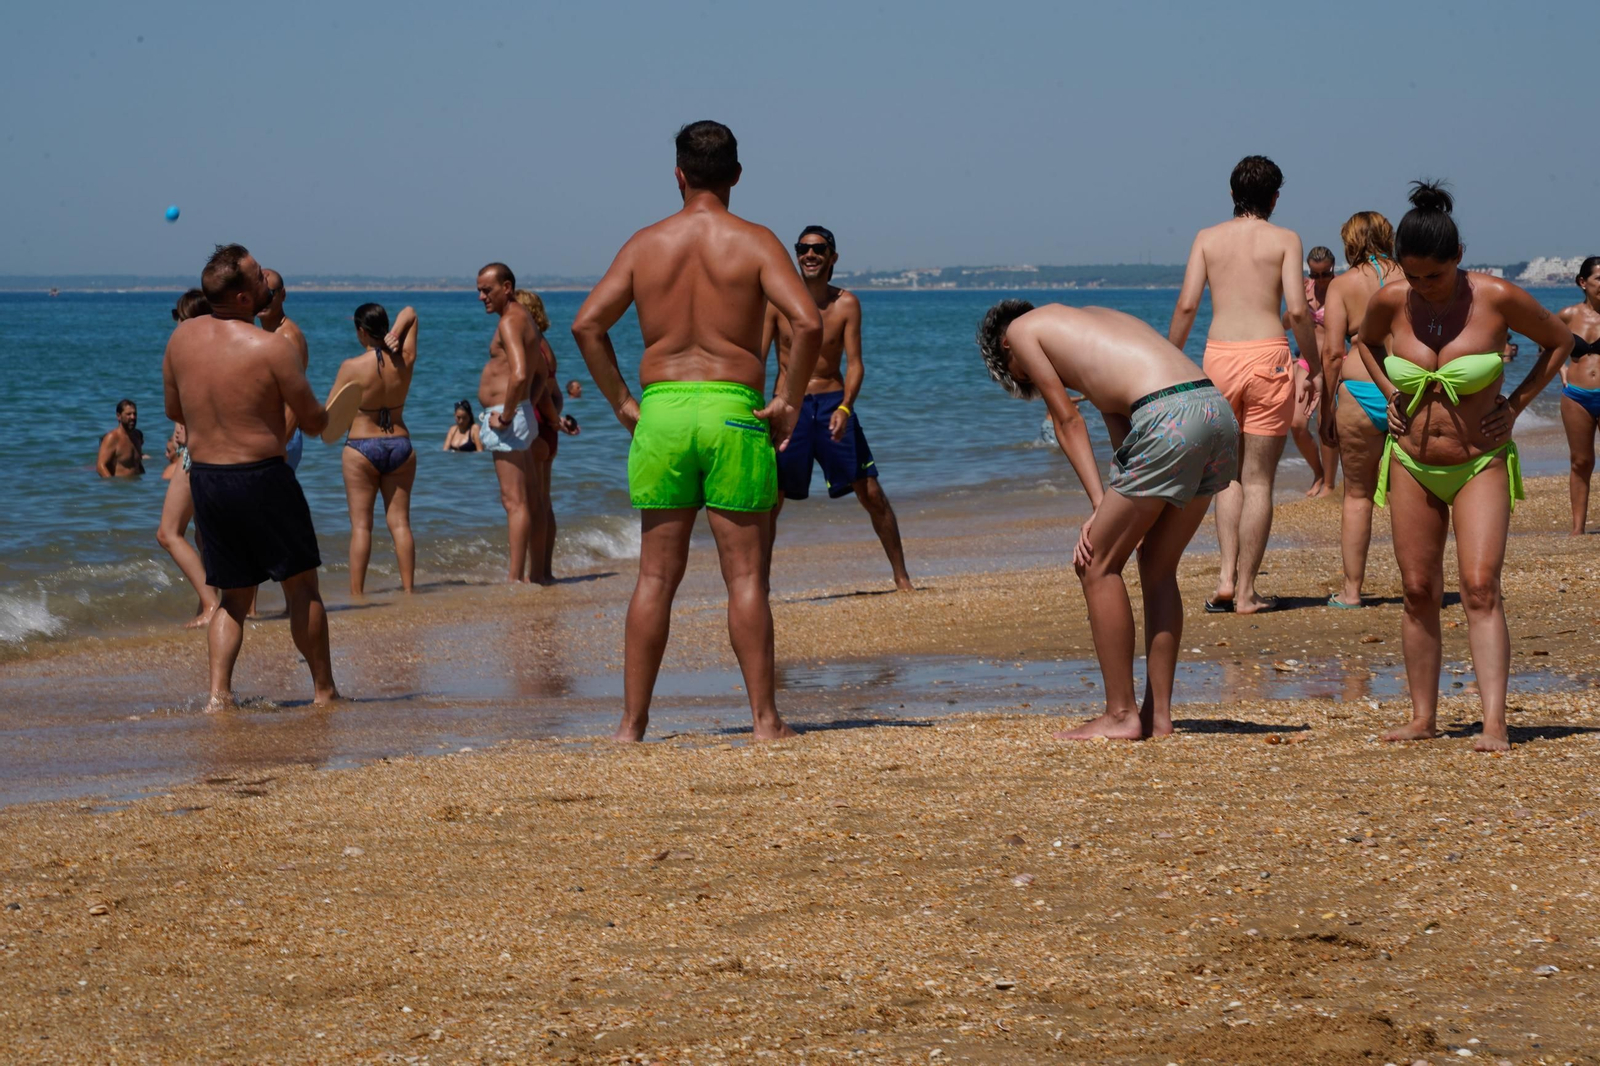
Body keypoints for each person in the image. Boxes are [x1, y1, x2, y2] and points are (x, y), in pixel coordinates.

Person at [571, 119, 823, 743]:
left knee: (656, 575)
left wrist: (624, 403)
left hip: (661, 410)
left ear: (678, 175)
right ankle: (765, 722)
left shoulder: (645, 244)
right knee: (744, 577)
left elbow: (586, 326)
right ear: (736, 174)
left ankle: (631, 726)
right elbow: (809, 323)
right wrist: (788, 400)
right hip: (732, 408)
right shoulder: (757, 242)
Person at [1357, 183, 1572, 751]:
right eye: (1413, 276)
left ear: (1457, 258)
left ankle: (1494, 722)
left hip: (1479, 461)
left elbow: (1559, 342)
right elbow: (1364, 343)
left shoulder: (1497, 297)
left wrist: (1517, 403)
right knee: (1417, 588)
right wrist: (1387, 395)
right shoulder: (1390, 299)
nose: (1423, 288)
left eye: (1434, 276)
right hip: (1411, 461)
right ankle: (1423, 717)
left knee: (1479, 587)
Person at [977, 302, 1238, 740]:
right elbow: (1122, 422)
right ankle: (1157, 717)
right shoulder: (1092, 322)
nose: (1039, 383)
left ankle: (1120, 714)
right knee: (1157, 567)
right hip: (1214, 413)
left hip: (1169, 419)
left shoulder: (1023, 331)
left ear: (1007, 347)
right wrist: (1116, 503)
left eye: (1022, 376)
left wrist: (1099, 505)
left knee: (1095, 562)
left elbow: (1067, 420)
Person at [162, 243, 337, 710]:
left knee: (232, 600)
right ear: (242, 297)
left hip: (208, 482)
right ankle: (324, 692)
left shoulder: (180, 341)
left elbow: (174, 411)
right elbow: (314, 421)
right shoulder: (271, 347)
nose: (268, 284)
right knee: (301, 588)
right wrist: (330, 412)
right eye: (260, 278)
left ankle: (218, 697)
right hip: (262, 478)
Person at [1169, 155, 1319, 615]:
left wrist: (1169, 359)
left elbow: (1188, 305)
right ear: (1275, 197)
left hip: (1219, 358)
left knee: (1225, 479)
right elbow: (1296, 310)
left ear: (1232, 195)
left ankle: (1225, 578)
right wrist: (1310, 360)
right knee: (1258, 481)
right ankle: (1248, 593)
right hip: (1268, 356)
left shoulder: (1207, 239)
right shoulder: (1286, 240)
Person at [763, 226, 913, 592]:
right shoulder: (776, 303)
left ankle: (902, 578)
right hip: (789, 406)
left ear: (833, 257)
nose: (809, 254)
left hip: (833, 403)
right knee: (770, 500)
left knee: (871, 493)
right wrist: (762, 409)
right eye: (802, 248)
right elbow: (756, 359)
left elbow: (856, 363)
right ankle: (757, 587)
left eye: (818, 249)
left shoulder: (846, 304)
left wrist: (846, 407)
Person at [1319, 212, 1405, 608]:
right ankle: (1419, 586)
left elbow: (1334, 352)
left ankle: (1352, 592)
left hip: (1357, 389)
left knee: (1357, 495)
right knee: (1413, 494)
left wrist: (1325, 411)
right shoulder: (1413, 275)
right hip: (1407, 386)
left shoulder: (1341, 285)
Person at [475, 264, 560, 582]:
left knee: (515, 501)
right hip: (518, 414)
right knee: (532, 500)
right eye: (479, 290)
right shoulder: (524, 319)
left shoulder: (510, 321)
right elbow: (540, 374)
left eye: (487, 290)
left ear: (507, 287)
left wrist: (508, 415)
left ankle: (514, 579)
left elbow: (524, 372)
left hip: (507, 418)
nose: (481, 296)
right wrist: (526, 404)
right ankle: (535, 575)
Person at [328, 304, 418, 596]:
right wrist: (396, 334)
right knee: (401, 524)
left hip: (361, 447)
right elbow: (411, 313)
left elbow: (331, 417)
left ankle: (357, 596)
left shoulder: (350, 367)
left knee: (362, 527)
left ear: (361, 332)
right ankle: (408, 591)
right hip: (400, 444)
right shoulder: (406, 359)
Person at [155, 289, 220, 627]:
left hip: (195, 452)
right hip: (217, 449)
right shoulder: (221, 348)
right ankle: (208, 603)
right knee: (201, 535)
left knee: (168, 533)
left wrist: (182, 428)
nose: (175, 323)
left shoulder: (183, 349)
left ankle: (211, 605)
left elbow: (174, 407)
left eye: (178, 316)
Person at [515, 288, 580, 584]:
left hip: (536, 426)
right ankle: (544, 571)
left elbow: (540, 394)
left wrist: (550, 420)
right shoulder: (545, 345)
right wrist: (557, 420)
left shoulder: (530, 346)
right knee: (543, 501)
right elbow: (554, 394)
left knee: (530, 503)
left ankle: (534, 574)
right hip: (547, 427)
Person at [1288, 246, 1339, 496]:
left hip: (1333, 360)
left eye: (1325, 274)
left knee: (1325, 424)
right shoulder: (1304, 288)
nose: (1320, 280)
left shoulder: (1341, 290)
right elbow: (1287, 321)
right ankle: (1318, 472)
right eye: (1315, 274)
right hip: (1306, 361)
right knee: (1297, 423)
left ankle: (1328, 484)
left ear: (1333, 268)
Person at [1557, 256, 1600, 535]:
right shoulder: (1567, 315)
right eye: (1599, 279)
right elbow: (1546, 343)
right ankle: (1577, 529)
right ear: (1583, 283)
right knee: (1581, 461)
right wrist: (1561, 370)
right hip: (1576, 396)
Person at [258, 269, 309, 473]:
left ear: (283, 295)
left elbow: (296, 402)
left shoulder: (287, 338)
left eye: (269, 294)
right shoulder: (267, 333)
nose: (263, 300)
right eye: (258, 294)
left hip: (281, 437)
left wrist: (277, 446)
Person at [97, 399, 145, 477]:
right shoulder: (112, 437)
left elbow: (138, 464)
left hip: (136, 486)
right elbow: (101, 466)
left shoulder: (137, 436)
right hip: (120, 486)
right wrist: (111, 485)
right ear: (119, 416)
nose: (133, 417)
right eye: (128, 414)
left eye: (135, 414)